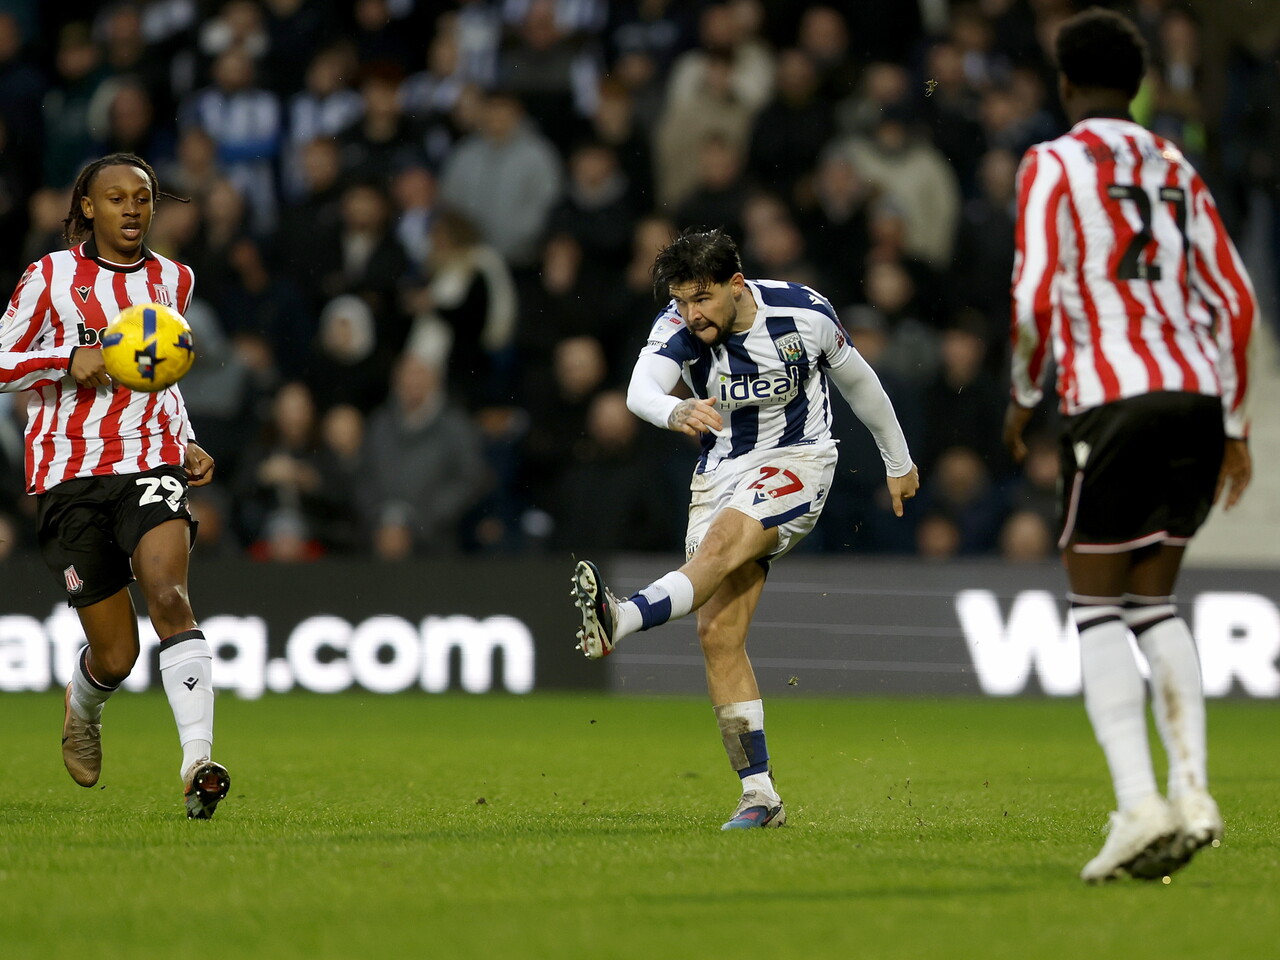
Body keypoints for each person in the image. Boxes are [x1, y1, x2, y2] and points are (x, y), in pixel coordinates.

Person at [1003, 10, 1255, 884]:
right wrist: (1235, 424)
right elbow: (1238, 297)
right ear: (1139, 85)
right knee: (1156, 601)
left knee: (1095, 603)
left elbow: (1034, 295)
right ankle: (1194, 794)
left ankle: (1140, 805)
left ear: (1065, 85)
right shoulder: (1178, 163)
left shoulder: (1053, 161)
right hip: (1194, 396)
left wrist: (1023, 397)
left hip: (1112, 397)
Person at [572, 228, 919, 829]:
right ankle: (761, 796)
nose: (691, 313)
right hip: (720, 471)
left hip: (799, 460)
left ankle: (620, 617)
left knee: (725, 543)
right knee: (717, 633)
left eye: (701, 298)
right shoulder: (677, 325)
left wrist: (898, 461)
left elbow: (861, 384)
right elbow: (638, 390)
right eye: (681, 300)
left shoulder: (803, 313)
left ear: (737, 285)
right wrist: (673, 408)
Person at [0, 153, 231, 819]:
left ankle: (197, 762)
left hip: (149, 461)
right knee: (117, 652)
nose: (132, 208)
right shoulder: (49, 277)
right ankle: (84, 703)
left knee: (169, 596)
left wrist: (183, 435)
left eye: (143, 197)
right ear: (88, 209)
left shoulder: (174, 278)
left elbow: (163, 370)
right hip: (68, 472)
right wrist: (68, 359)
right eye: (117, 198)